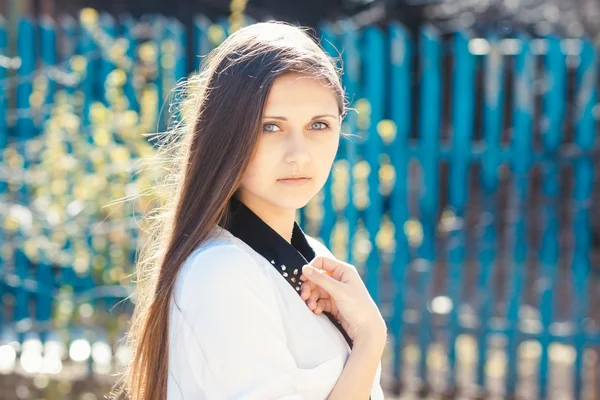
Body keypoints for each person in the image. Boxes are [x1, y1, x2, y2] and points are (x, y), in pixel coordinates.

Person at [110, 20, 387, 400]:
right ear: (229, 133)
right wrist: (370, 339)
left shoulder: (316, 261)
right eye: (270, 127)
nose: (299, 154)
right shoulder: (223, 273)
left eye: (319, 125)